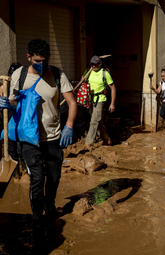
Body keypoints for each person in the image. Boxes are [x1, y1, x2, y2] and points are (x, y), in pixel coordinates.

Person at [0, 39, 77, 229]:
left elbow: (72, 103)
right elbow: (14, 102)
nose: (41, 65)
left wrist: (69, 125)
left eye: (44, 60)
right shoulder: (20, 74)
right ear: (28, 57)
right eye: (36, 61)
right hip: (29, 139)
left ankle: (49, 205)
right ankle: (37, 214)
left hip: (53, 137)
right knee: (37, 178)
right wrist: (6, 103)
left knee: (54, 177)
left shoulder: (57, 74)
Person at [81, 55, 116, 145]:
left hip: (100, 99)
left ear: (100, 63)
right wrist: (83, 80)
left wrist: (112, 104)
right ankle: (107, 140)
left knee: (94, 121)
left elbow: (113, 88)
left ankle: (88, 144)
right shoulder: (87, 72)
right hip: (90, 99)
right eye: (92, 64)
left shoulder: (105, 73)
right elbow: (82, 83)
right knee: (98, 121)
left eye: (95, 64)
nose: (93, 66)